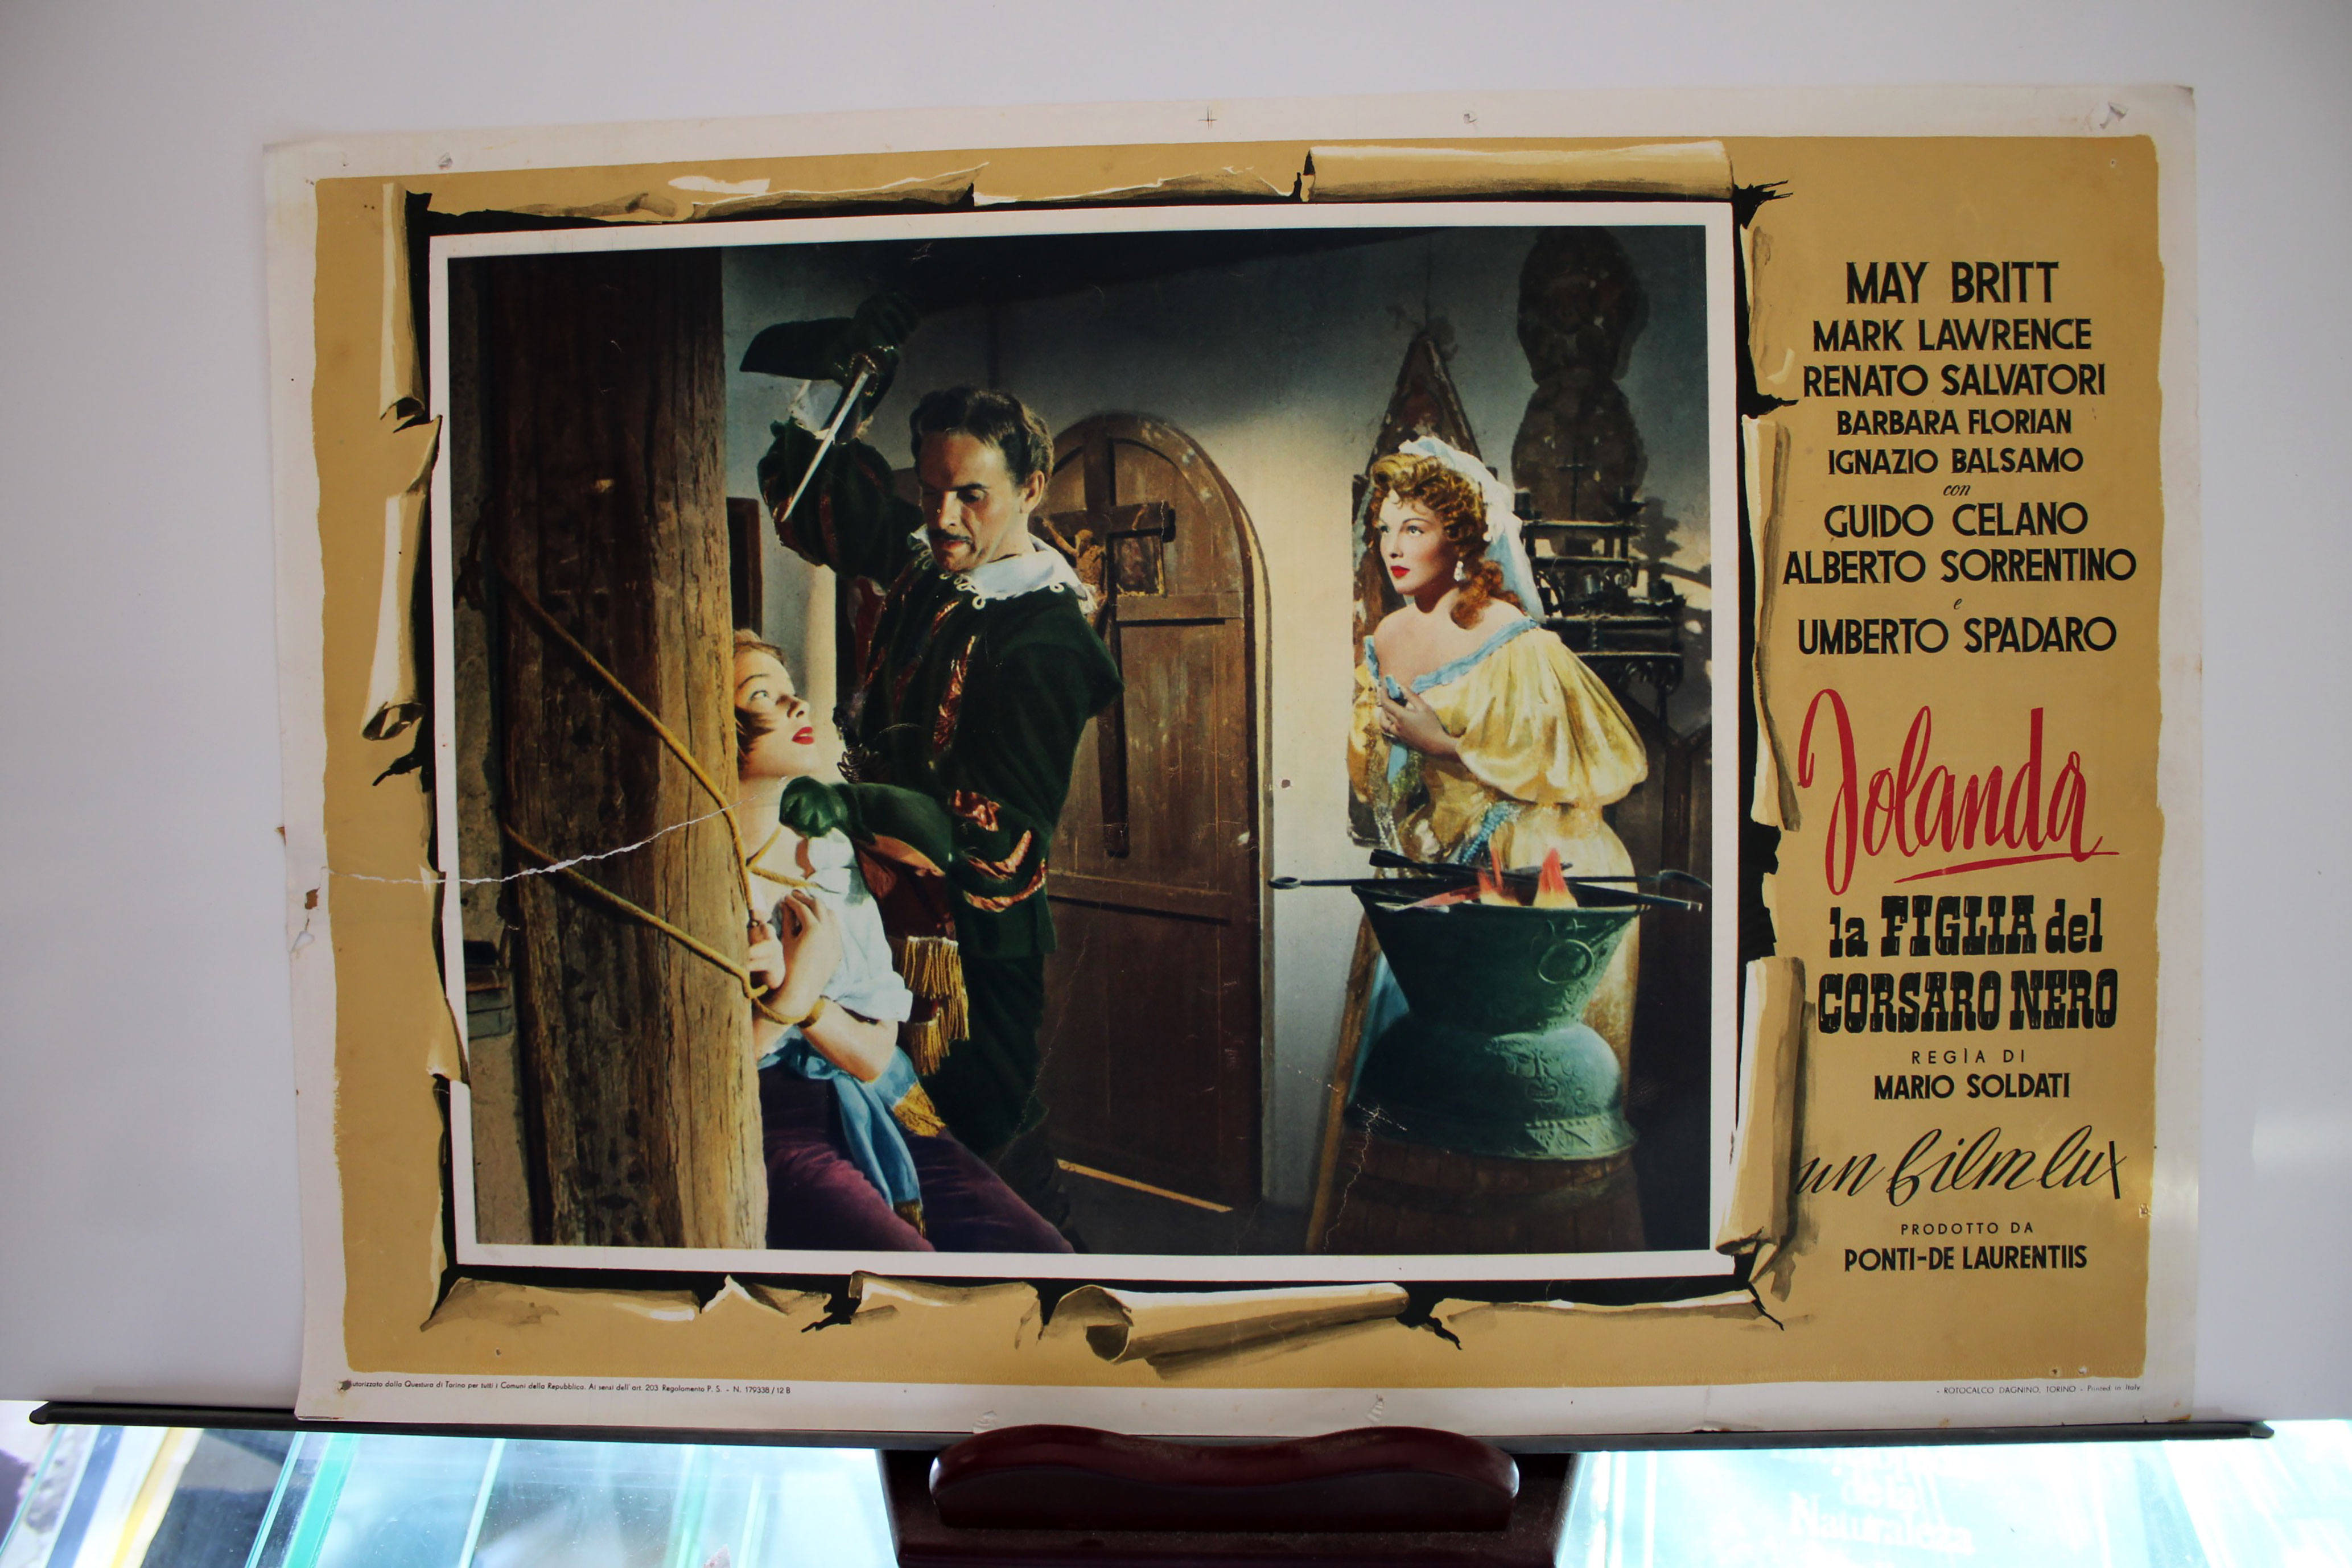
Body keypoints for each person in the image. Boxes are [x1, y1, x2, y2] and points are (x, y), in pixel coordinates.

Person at [752, 308, 1120, 1240]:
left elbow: (999, 840)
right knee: (900, 1131)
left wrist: (848, 802)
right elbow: (819, 509)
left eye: (970, 496)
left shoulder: (1044, 641)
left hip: (969, 951)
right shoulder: (935, 564)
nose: (944, 518)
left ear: (1030, 489)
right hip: (888, 918)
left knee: (975, 1144)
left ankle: (1054, 1288)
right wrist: (845, 398)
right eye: (928, 492)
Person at [732, 632, 1070, 1253]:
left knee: (1042, 1252)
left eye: (791, 691)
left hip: (879, 1094)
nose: (797, 705)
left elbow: (870, 1055)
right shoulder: (697, 877)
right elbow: (711, 1076)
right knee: (909, 1272)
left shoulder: (826, 853)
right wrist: (791, 999)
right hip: (768, 1119)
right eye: (762, 696)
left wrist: (804, 1000)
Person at [1347, 441, 1651, 1063]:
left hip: (1531, 857)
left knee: (1515, 1059)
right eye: (1384, 531)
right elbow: (1378, 780)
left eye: (1414, 529)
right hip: (1428, 859)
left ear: (1458, 539)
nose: (1393, 548)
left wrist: (1443, 745)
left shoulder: (1513, 639)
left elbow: (1585, 766)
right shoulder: (1386, 635)